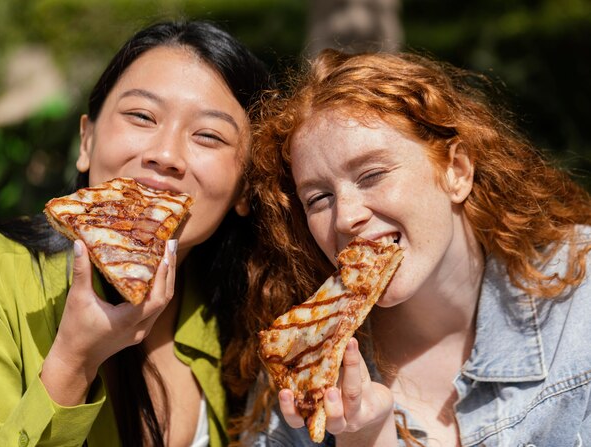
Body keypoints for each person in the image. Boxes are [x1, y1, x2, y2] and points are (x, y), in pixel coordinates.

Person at [232, 48, 591, 446]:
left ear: (457, 171)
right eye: (318, 198)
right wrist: (367, 437)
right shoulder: (300, 374)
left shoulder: (580, 305)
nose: (345, 217)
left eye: (371, 175)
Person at [0, 20, 271, 447]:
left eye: (208, 135)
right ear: (86, 142)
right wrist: (74, 362)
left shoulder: (247, 322)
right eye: (142, 116)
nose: (166, 155)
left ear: (245, 188)